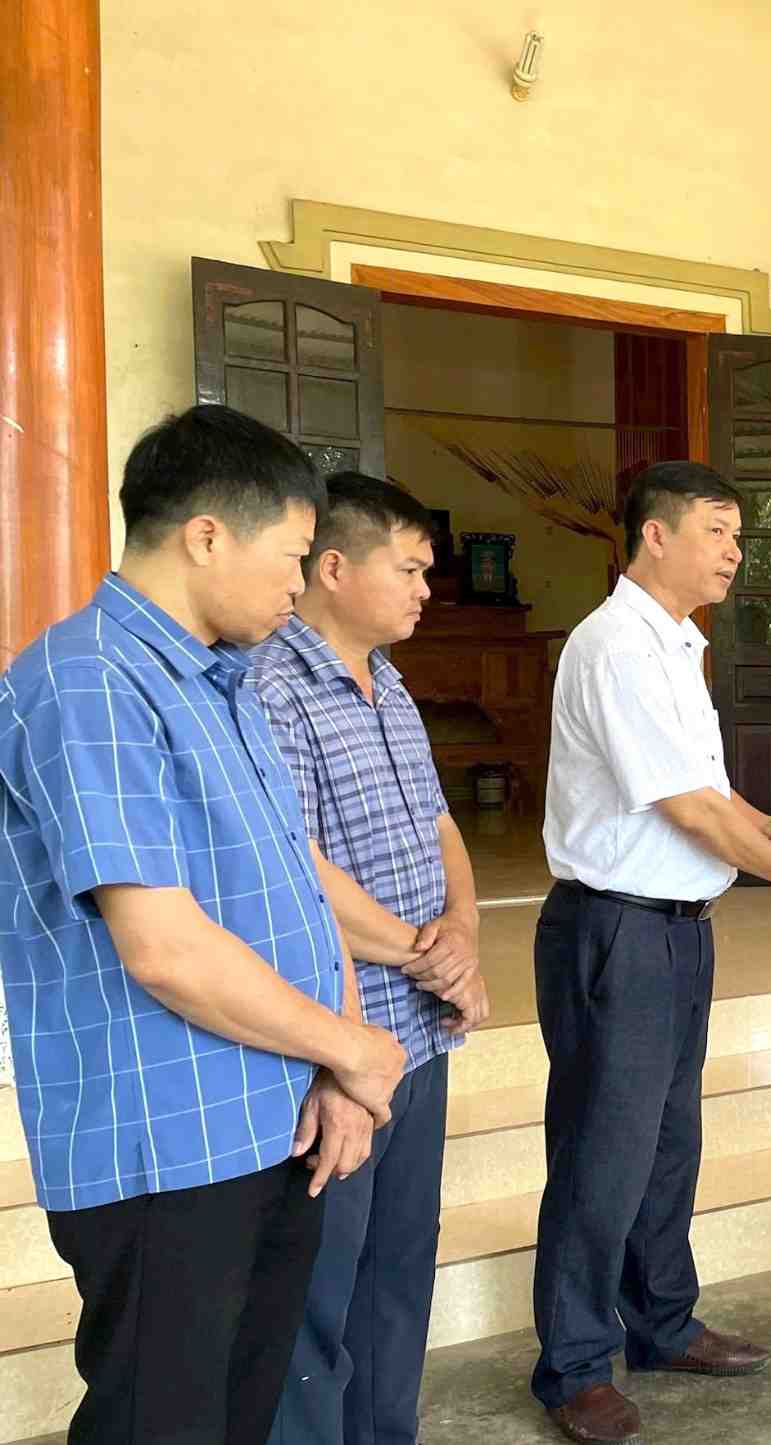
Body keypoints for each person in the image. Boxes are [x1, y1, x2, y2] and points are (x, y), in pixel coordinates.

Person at [0, 405, 406, 1444]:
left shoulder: (223, 680)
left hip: (272, 1116)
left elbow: (299, 886)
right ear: (207, 535)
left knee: (242, 1411)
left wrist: (339, 1062)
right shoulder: (90, 682)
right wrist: (351, 1046)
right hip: (169, 1145)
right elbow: (165, 949)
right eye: (292, 554)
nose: (300, 582)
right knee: (163, 1420)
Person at [530, 460, 771, 1444]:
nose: (734, 552)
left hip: (679, 927)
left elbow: (711, 792)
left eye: (738, 536)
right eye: (717, 530)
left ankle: (662, 1322)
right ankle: (573, 1366)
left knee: (667, 1142)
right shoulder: (614, 646)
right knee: (601, 1153)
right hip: (615, 928)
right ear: (656, 534)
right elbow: (684, 809)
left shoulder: (678, 645)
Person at [251, 473, 489, 1445]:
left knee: (398, 1275)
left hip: (418, 1037)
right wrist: (423, 956)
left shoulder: (388, 683)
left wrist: (462, 933)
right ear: (335, 568)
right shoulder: (270, 686)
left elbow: (439, 824)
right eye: (411, 568)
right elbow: (292, 863)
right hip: (338, 1042)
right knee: (319, 1298)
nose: (427, 588)